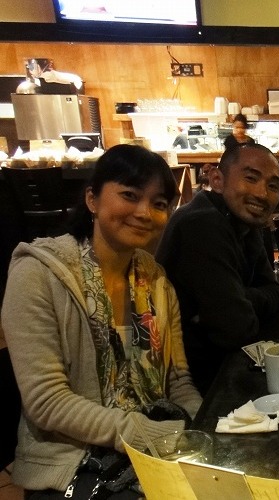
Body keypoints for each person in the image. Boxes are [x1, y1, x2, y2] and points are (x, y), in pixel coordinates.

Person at [2, 144, 202, 497]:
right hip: (73, 463)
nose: (144, 213)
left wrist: (206, 427)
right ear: (92, 199)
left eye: (159, 204)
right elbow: (47, 401)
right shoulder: (38, 274)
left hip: (151, 447)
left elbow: (177, 380)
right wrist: (143, 433)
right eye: (130, 195)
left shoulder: (155, 281)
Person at [156, 143, 279, 394]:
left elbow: (275, 291)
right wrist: (238, 303)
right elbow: (236, 329)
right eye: (251, 178)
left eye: (273, 186)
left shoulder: (243, 220)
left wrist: (240, 298)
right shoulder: (201, 224)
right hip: (190, 384)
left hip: (224, 366)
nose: (262, 194)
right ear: (217, 180)